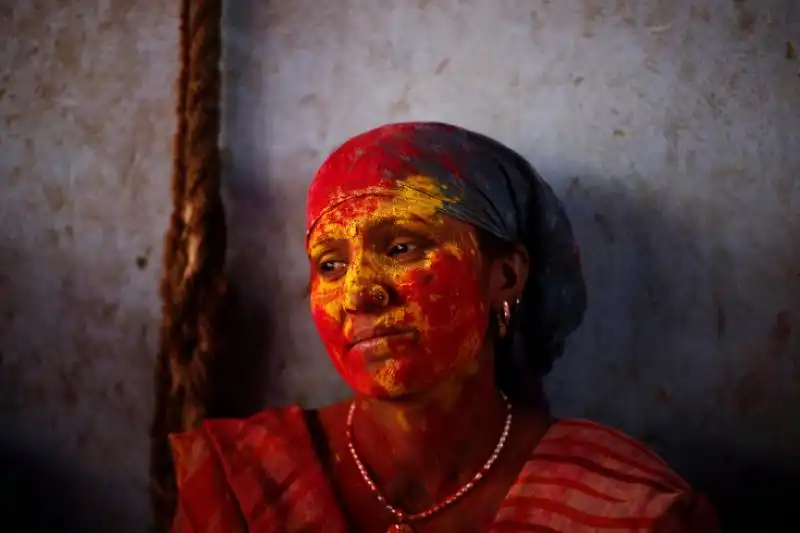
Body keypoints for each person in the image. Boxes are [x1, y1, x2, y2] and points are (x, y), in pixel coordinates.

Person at [168, 122, 720, 532]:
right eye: (330, 264)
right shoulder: (241, 484)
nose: (359, 293)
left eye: (403, 247)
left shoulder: (626, 510)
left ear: (505, 275)